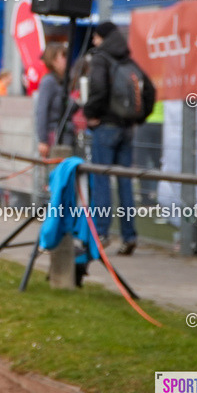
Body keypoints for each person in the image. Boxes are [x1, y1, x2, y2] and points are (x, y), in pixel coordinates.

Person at [83, 21, 141, 255]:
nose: (94, 41)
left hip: (106, 126)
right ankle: (129, 236)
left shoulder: (101, 58)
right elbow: (145, 89)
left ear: (102, 38)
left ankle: (101, 233)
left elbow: (97, 87)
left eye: (96, 37)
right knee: (125, 181)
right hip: (126, 127)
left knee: (102, 180)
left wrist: (91, 113)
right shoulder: (127, 59)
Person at [34, 43, 75, 159]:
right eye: (63, 56)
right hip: (55, 136)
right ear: (53, 60)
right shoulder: (49, 81)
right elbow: (42, 111)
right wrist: (43, 140)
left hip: (67, 134)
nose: (66, 60)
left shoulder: (64, 81)